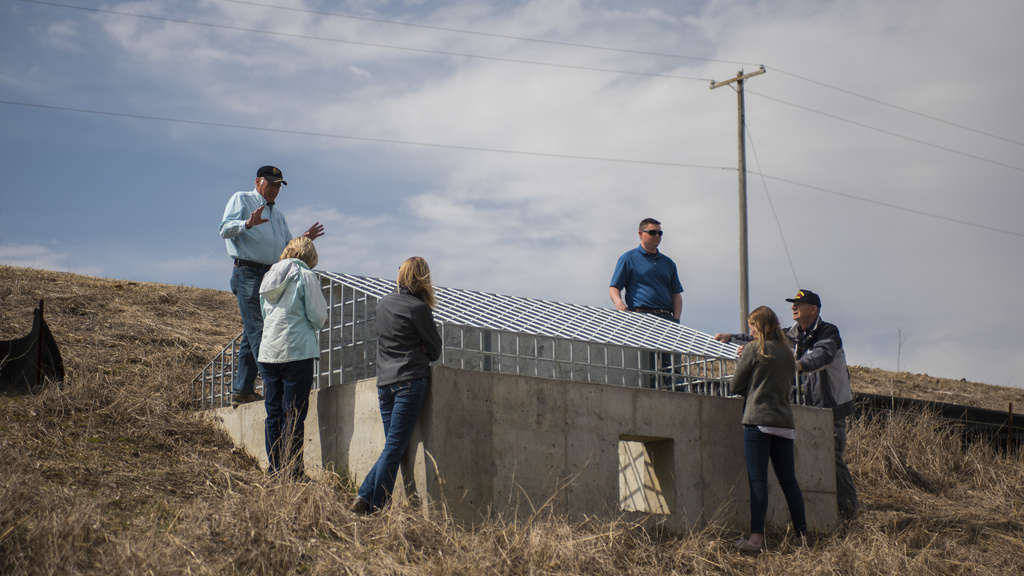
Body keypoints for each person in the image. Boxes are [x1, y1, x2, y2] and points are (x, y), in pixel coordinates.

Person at [715, 289, 858, 521]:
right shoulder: (790, 334)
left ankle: (849, 512)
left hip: (830, 409)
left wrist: (797, 364)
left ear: (814, 309)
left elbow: (822, 356)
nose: (793, 307)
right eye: (793, 304)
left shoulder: (829, 332)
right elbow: (762, 337)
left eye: (799, 304)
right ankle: (823, 515)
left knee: (832, 458)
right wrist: (731, 338)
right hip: (802, 407)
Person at [219, 165, 325, 408]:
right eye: (271, 184)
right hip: (247, 272)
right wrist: (247, 223)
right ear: (258, 182)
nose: (275, 190)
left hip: (269, 275)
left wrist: (303, 239)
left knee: (250, 332)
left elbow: (285, 246)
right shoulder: (242, 199)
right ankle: (273, 386)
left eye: (279, 186)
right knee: (259, 329)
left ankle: (242, 390)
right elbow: (224, 229)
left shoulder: (278, 215)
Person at [351, 256, 442, 514]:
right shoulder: (419, 309)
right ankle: (377, 505)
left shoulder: (382, 305)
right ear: (423, 277)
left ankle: (364, 497)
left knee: (394, 445)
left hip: (385, 384)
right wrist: (421, 347)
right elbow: (435, 350)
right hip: (409, 382)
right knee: (395, 446)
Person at [730, 306, 807, 553]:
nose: (749, 330)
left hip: (757, 422)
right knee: (789, 483)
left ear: (760, 326)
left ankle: (755, 541)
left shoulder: (754, 349)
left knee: (758, 481)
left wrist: (742, 360)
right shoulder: (787, 351)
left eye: (752, 325)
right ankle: (802, 538)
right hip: (784, 423)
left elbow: (735, 385)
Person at [257, 237, 329, 480]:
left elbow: (264, 312)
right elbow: (317, 315)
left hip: (269, 352)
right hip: (296, 351)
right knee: (294, 413)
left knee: (274, 412)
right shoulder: (305, 275)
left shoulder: (269, 276)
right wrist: (322, 320)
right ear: (309, 257)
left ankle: (275, 469)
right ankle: (294, 472)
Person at [609, 218, 684, 388]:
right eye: (653, 232)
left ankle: (679, 399)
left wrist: (676, 319)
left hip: (667, 319)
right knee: (647, 368)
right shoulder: (628, 258)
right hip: (642, 318)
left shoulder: (668, 263)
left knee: (673, 368)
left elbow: (676, 294)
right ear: (641, 234)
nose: (657, 236)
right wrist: (620, 304)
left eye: (660, 233)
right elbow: (614, 288)